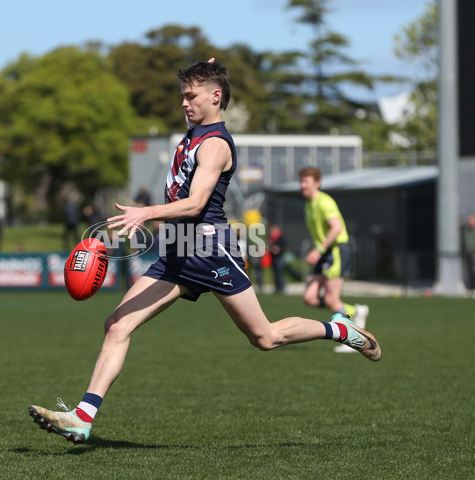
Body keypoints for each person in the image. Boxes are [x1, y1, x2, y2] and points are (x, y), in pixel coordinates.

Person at [28, 60, 381, 445]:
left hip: (211, 252)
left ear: (215, 98)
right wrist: (209, 68)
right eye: (182, 95)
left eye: (191, 95)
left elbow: (196, 203)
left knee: (265, 337)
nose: (184, 102)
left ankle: (340, 329)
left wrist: (147, 212)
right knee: (117, 325)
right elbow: (209, 86)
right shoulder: (194, 131)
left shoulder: (214, 144)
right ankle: (83, 417)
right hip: (178, 254)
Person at [298, 166, 369, 354]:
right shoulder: (308, 204)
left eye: (306, 181)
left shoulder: (324, 202)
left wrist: (319, 249)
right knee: (310, 297)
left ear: (317, 183)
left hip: (335, 250)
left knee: (331, 297)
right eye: (301, 181)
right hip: (323, 253)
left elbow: (336, 228)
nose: (302, 185)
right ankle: (353, 311)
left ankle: (354, 337)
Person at [268, 224, 288, 294]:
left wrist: (279, 249)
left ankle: (282, 287)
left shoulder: (280, 237)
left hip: (279, 257)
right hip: (273, 258)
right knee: (275, 273)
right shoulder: (271, 238)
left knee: (280, 273)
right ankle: (277, 287)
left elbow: (285, 246)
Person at [462, 213, 475, 294]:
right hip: (467, 253)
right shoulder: (466, 230)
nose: (469, 221)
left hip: (474, 253)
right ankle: (470, 288)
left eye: (471, 220)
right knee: (469, 271)